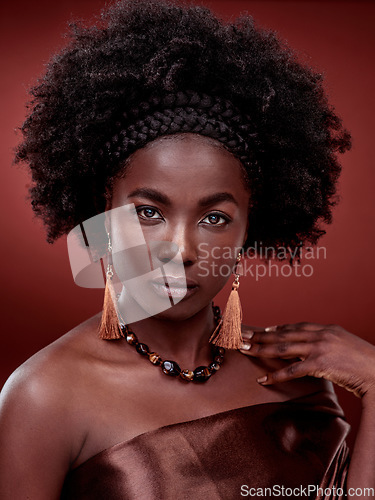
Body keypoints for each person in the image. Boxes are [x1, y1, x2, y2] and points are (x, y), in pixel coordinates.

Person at [1, 0, 375, 498]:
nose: (180, 249)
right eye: (148, 212)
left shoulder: (295, 376)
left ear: (249, 230)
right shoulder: (43, 397)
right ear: (102, 215)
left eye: (215, 218)